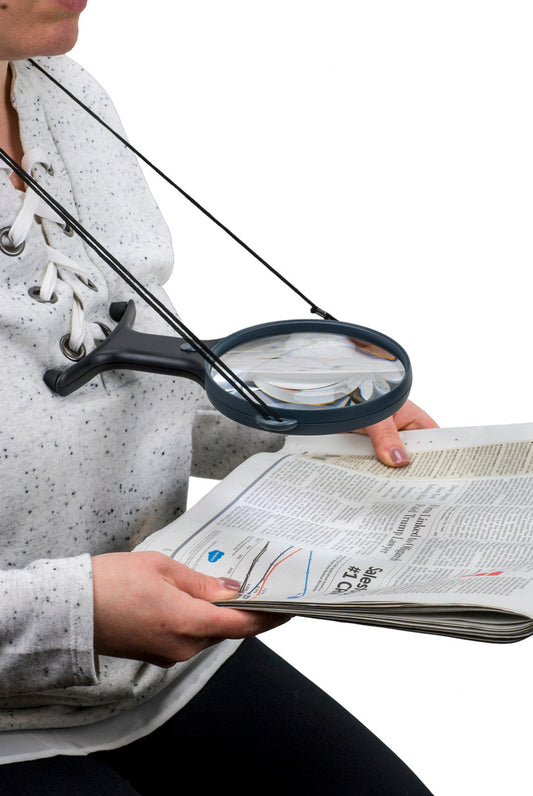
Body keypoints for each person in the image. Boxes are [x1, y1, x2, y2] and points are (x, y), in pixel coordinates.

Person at [0, 1, 438, 793]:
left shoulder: (65, 89)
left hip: (156, 674)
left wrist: (299, 422)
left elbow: (98, 358)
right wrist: (72, 610)